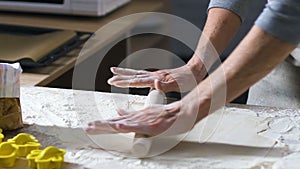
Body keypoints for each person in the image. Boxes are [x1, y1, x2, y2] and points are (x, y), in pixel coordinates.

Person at [86, 0, 300, 136]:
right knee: (270, 136)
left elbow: (289, 14)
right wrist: (197, 66)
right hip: (281, 60)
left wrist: (190, 107)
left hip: (282, 42)